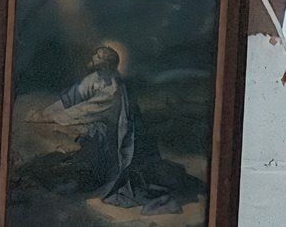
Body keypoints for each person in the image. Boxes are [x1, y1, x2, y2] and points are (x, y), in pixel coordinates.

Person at [14, 46, 202, 217]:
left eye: (98, 55)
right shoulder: (94, 79)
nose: (94, 56)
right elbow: (71, 100)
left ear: (107, 62)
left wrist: (50, 118)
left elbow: (86, 110)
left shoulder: (113, 87)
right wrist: (45, 113)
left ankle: (103, 177)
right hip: (101, 129)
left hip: (120, 134)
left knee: (111, 160)